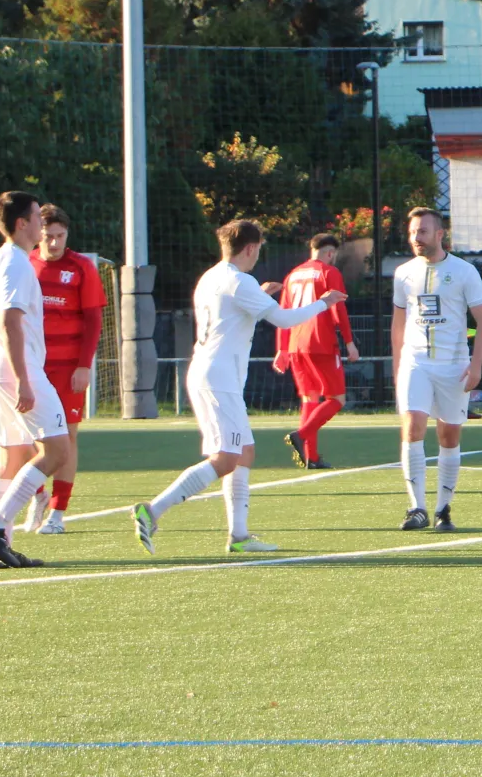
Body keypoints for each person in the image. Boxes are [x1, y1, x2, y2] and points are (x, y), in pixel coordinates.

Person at [132, 220, 342, 555]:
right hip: (219, 379)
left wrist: (260, 296)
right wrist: (324, 302)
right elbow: (284, 320)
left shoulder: (212, 277)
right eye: (258, 249)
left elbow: (231, 314)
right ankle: (153, 510)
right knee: (226, 458)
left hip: (211, 374)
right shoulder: (240, 281)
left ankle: (239, 536)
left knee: (244, 451)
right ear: (251, 248)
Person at [0, 192, 75, 570]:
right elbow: (10, 321)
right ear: (21, 223)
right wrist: (23, 380)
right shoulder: (16, 262)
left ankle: (1, 549)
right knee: (57, 451)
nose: (42, 225)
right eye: (37, 218)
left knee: (11, 457)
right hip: (17, 371)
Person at [391, 208, 482, 532]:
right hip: (416, 363)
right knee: (413, 426)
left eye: (422, 232)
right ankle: (416, 508)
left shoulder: (464, 272)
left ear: (439, 234)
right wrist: (397, 367)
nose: (415, 238)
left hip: (453, 366)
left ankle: (442, 509)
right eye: (412, 232)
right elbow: (398, 324)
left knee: (449, 436)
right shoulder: (403, 273)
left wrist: (476, 365)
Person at [23, 204, 104, 534]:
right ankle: (38, 495)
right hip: (33, 366)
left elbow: (94, 320)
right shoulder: (25, 264)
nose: (54, 243)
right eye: (48, 236)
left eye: (60, 236)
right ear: (37, 235)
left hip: (68, 367)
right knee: (29, 437)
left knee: (67, 436)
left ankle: (58, 512)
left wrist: (84, 365)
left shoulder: (82, 267)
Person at [276, 232, 359, 471]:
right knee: (337, 399)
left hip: (296, 345)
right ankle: (301, 435)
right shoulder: (329, 272)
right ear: (330, 253)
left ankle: (311, 457)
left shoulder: (292, 275)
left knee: (309, 398)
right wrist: (349, 342)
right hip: (321, 342)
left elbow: (282, 313)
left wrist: (282, 349)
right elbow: (338, 308)